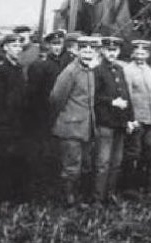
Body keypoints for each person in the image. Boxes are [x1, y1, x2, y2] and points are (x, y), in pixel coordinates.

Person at [50, 36, 100, 205]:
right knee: (71, 165)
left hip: (87, 127)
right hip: (71, 127)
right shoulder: (70, 71)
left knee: (85, 163)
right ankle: (68, 199)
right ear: (77, 50)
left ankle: (79, 195)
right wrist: (67, 116)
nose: (87, 51)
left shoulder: (92, 71)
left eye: (91, 48)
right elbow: (56, 98)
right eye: (83, 48)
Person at [0, 34, 30, 199]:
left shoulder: (17, 67)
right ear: (5, 47)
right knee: (2, 158)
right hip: (4, 121)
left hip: (17, 120)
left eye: (20, 46)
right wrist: (1, 121)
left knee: (14, 157)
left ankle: (12, 194)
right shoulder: (0, 68)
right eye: (14, 46)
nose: (18, 49)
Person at [92, 36, 133, 204]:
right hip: (105, 123)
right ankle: (97, 198)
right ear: (103, 51)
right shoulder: (97, 71)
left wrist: (130, 119)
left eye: (115, 50)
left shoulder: (119, 69)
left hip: (120, 123)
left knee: (116, 162)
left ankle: (110, 194)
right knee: (103, 163)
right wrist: (111, 101)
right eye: (109, 50)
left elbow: (126, 95)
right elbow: (93, 96)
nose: (112, 53)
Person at [123, 39, 151, 194]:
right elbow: (127, 96)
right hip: (137, 118)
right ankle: (129, 186)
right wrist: (130, 118)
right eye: (137, 53)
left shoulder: (148, 69)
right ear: (133, 54)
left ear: (147, 54)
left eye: (143, 53)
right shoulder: (128, 70)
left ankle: (145, 183)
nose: (140, 56)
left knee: (149, 152)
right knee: (134, 152)